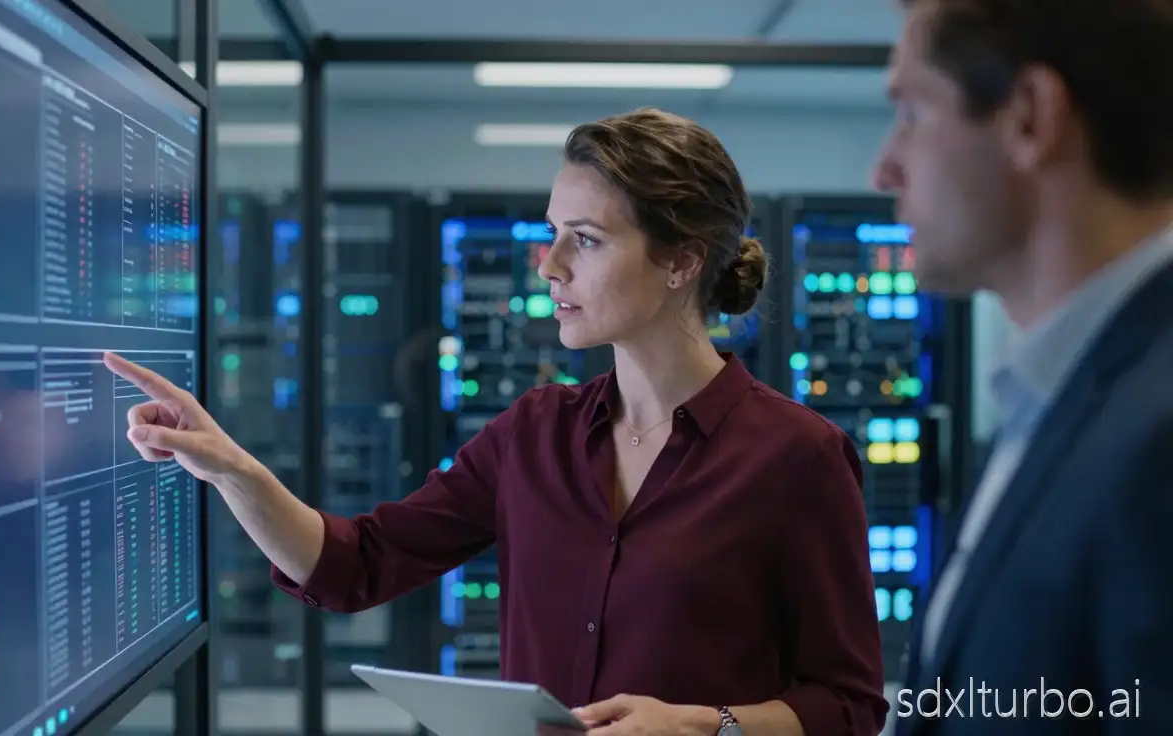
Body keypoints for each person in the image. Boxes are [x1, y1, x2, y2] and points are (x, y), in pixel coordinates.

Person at [105, 107, 888, 736]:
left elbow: (848, 705)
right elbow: (354, 565)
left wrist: (707, 726)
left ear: (682, 261)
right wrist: (233, 470)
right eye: (551, 235)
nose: (549, 267)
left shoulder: (797, 457)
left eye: (583, 240)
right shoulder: (533, 435)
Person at [874, 1, 1173, 734]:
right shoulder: (1057, 395)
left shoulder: (1157, 430)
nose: (884, 168)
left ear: (1029, 117)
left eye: (912, 112)